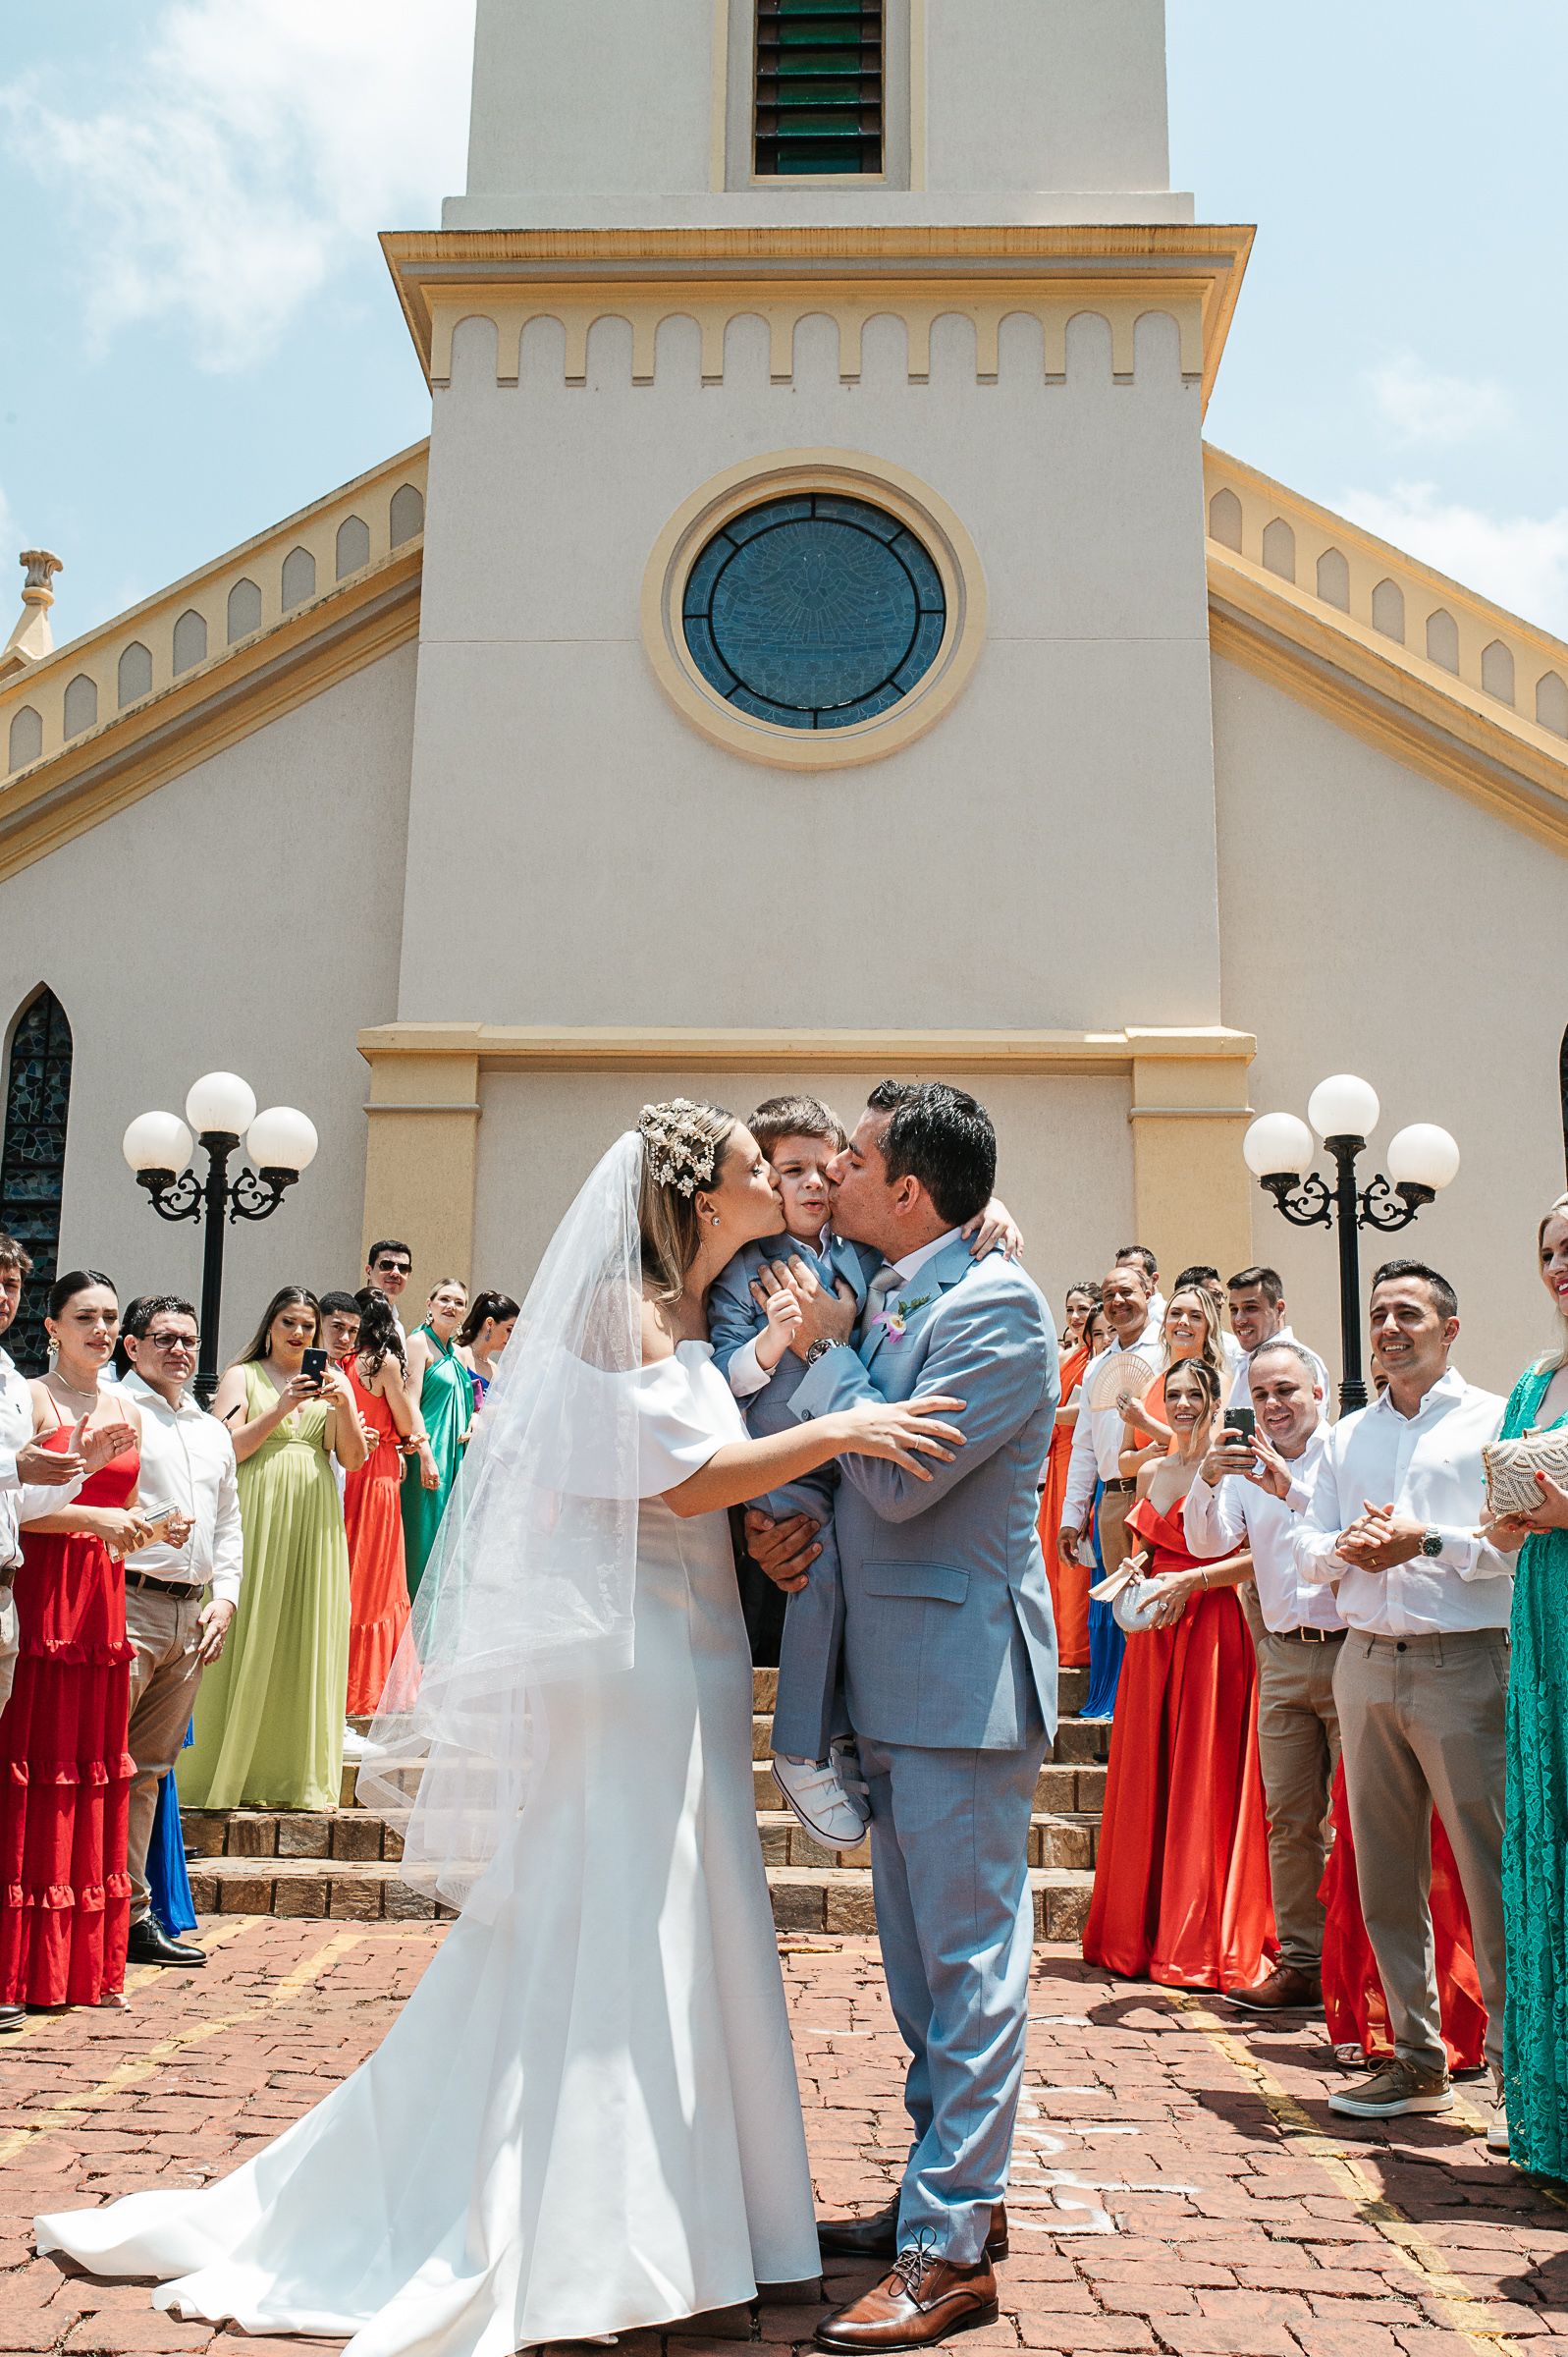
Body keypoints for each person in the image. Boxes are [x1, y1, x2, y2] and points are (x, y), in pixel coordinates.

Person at [35, 1099, 963, 2354]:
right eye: (759, 1170)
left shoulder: (698, 1307)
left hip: (686, 1641)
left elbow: (707, 1429)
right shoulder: (618, 1307)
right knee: (623, 1907)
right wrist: (841, 1426)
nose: (784, 1185)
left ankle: (712, 2219)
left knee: (681, 1907)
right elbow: (679, 1474)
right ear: (702, 1200)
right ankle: (597, 2228)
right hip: (627, 1650)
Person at [751, 1081, 1057, 2351]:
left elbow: (891, 1470)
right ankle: (946, 2198)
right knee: (922, 1973)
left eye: (859, 1159)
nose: (835, 1174)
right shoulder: (891, 1294)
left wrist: (823, 1354)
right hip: (892, 1677)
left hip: (962, 1684)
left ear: (911, 1190)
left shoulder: (1000, 1310)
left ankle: (953, 2247)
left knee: (974, 1970)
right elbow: (801, 1439)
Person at [1294, 1260, 1513, 2143]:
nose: (1388, 1327)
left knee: (1490, 1874)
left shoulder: (1497, 1420)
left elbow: (1514, 1545)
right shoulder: (1347, 1437)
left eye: (1408, 1313)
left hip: (1465, 1666)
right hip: (1364, 1664)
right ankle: (1418, 2063)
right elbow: (1306, 1550)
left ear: (1448, 1329)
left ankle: (1514, 2079)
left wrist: (1426, 1542)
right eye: (1379, 1313)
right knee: (1382, 1873)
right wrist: (1347, 1546)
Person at [1081, 1356, 1271, 1992]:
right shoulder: (1154, 1471)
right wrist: (1134, 1577)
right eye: (1177, 1394)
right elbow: (1141, 1552)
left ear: (1216, 1399)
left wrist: (1193, 1582)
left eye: (1196, 1393)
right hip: (1154, 1638)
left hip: (1213, 1629)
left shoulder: (1235, 1468)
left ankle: (1197, 1934)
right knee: (1148, 1771)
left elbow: (1253, 1554)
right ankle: (1137, 1930)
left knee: (1203, 1775)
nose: (1184, 1403)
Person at [1183, 1338, 1340, 2011]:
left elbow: (1350, 1533)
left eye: (1286, 1391)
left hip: (1351, 1651)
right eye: (1261, 1395)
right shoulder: (1246, 1469)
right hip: (1278, 1654)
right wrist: (1210, 1477)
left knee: (1363, 1819)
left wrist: (1290, 1486)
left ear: (1318, 1395)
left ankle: (1360, 1970)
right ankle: (1301, 1965)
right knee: (1288, 1819)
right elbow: (1206, 1542)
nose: (1272, 1406)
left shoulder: (1344, 1453)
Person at [5, 1274, 146, 2013]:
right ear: (52, 1326)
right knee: (36, 1763)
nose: (98, 1328)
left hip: (102, 1601)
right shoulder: (30, 1398)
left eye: (108, 1317)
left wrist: (150, 1525)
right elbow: (18, 1513)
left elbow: (121, 1506)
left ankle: (78, 1969)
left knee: (90, 1766)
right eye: (83, 1316)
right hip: (44, 1590)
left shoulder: (127, 1406)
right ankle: (20, 1967)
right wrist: (95, 1517)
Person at [185, 1289, 366, 1811]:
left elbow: (352, 1459)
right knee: (245, 1631)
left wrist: (346, 1403)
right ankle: (219, 1770)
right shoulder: (244, 1376)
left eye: (308, 1326)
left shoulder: (333, 1382)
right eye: (289, 1322)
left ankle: (290, 1774)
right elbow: (229, 1449)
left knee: (304, 1632)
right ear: (270, 1324)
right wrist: (284, 1406)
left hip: (315, 1520)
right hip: (256, 1511)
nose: (299, 1334)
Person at [111, 1296, 243, 1969]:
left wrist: (225, 1599)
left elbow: (227, 1525)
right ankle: (86, 1908)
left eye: (188, 1339)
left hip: (192, 1613)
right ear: (131, 1346)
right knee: (101, 1762)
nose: (180, 1350)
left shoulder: (210, 1428)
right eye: (163, 1338)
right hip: (124, 1600)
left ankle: (133, 1915)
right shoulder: (115, 1410)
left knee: (150, 1772)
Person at [1494, 1192, 1568, 2177]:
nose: (1562, 1264)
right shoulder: (1533, 1381)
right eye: (1551, 1250)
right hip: (1540, 1621)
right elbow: (1501, 1525)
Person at [1060, 1263, 1162, 1718]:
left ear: (1149, 1290)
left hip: (1155, 1495)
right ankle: (1116, 1703)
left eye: (1127, 1291)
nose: (1117, 1301)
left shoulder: (1165, 1354)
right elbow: (1083, 1447)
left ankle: (1150, 1705)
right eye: (1109, 1294)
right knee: (1115, 1603)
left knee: (1151, 1601)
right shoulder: (1097, 1364)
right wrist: (1070, 1516)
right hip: (1108, 1497)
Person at [343, 1290, 431, 1724]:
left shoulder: (338, 1363)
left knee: (347, 1567)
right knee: (378, 1577)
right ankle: (370, 1685)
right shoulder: (383, 1363)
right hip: (376, 1471)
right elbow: (401, 1418)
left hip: (343, 1468)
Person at [1037, 1283, 1101, 1671]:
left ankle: (1077, 1647)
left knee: (1075, 1561)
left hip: (1076, 1452)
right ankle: (1058, 1643)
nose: (1075, 1317)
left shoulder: (1093, 1360)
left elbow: (1077, 1413)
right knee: (1050, 1558)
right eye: (1070, 1309)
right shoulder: (1067, 1355)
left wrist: (1036, 1414)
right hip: (1056, 1459)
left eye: (1083, 1310)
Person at [402, 1279, 470, 1598]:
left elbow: (474, 1403)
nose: (450, 1306)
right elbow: (409, 1401)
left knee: (448, 1547)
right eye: (444, 1299)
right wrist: (426, 1455)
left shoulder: (458, 1353)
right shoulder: (418, 1343)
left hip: (455, 1455)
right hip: (428, 1454)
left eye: (458, 1302)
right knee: (423, 1540)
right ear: (429, 1304)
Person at [1226, 1266, 1329, 1412]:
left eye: (1250, 1308)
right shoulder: (1240, 1362)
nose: (1239, 1319)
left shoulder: (1302, 1361)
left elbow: (1310, 1428)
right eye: (1234, 1310)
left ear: (1279, 1309)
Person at [456, 1289, 519, 1412]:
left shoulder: (496, 1370)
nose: (512, 1337)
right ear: (489, 1323)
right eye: (509, 1330)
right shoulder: (459, 1355)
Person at [363, 1240, 412, 1337]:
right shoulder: (350, 1318)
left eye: (403, 1268)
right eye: (386, 1265)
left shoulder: (398, 1328)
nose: (396, 1273)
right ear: (369, 1271)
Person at [1115, 1242, 1164, 1329]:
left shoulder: (1162, 1315)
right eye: (1121, 1276)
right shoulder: (1119, 1313)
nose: (1127, 1281)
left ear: (1154, 1279)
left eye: (1135, 1274)